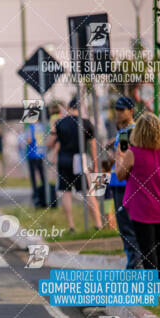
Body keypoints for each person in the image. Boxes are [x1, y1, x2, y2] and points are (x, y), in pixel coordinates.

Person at [116, 112, 160, 279]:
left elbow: (120, 175)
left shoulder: (132, 153)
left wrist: (119, 156)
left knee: (147, 248)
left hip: (141, 210)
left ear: (139, 132)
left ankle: (152, 283)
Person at [48, 98, 102, 231]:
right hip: (80, 160)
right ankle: (98, 224)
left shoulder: (60, 123)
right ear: (81, 107)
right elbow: (93, 145)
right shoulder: (86, 123)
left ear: (68, 107)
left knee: (66, 192)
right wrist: (95, 164)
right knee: (89, 192)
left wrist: (53, 130)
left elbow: (49, 143)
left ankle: (71, 225)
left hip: (64, 160)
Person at [107, 97, 141, 269]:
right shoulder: (124, 131)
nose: (118, 112)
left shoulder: (130, 132)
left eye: (122, 109)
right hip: (118, 182)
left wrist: (115, 155)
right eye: (116, 109)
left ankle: (134, 261)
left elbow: (125, 161)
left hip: (123, 184)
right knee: (125, 225)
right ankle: (134, 259)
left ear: (131, 110)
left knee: (126, 225)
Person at [25, 122, 46, 206]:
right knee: (42, 175)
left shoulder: (31, 127)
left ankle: (36, 194)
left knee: (33, 176)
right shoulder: (41, 127)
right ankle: (45, 191)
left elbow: (29, 140)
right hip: (41, 154)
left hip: (32, 154)